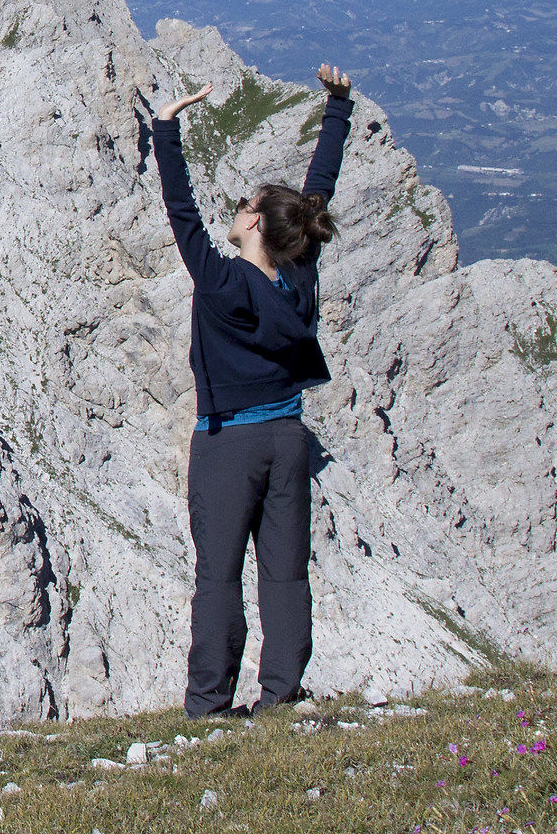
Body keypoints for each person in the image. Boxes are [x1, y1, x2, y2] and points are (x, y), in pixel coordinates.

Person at [150, 62, 354, 718]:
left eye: (244, 208)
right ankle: (281, 696)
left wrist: (164, 130)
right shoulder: (296, 278)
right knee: (286, 574)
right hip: (288, 441)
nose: (234, 213)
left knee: (219, 579)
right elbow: (316, 199)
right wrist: (337, 109)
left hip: (227, 445)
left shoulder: (222, 281)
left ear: (259, 225)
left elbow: (180, 212)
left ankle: (210, 704)